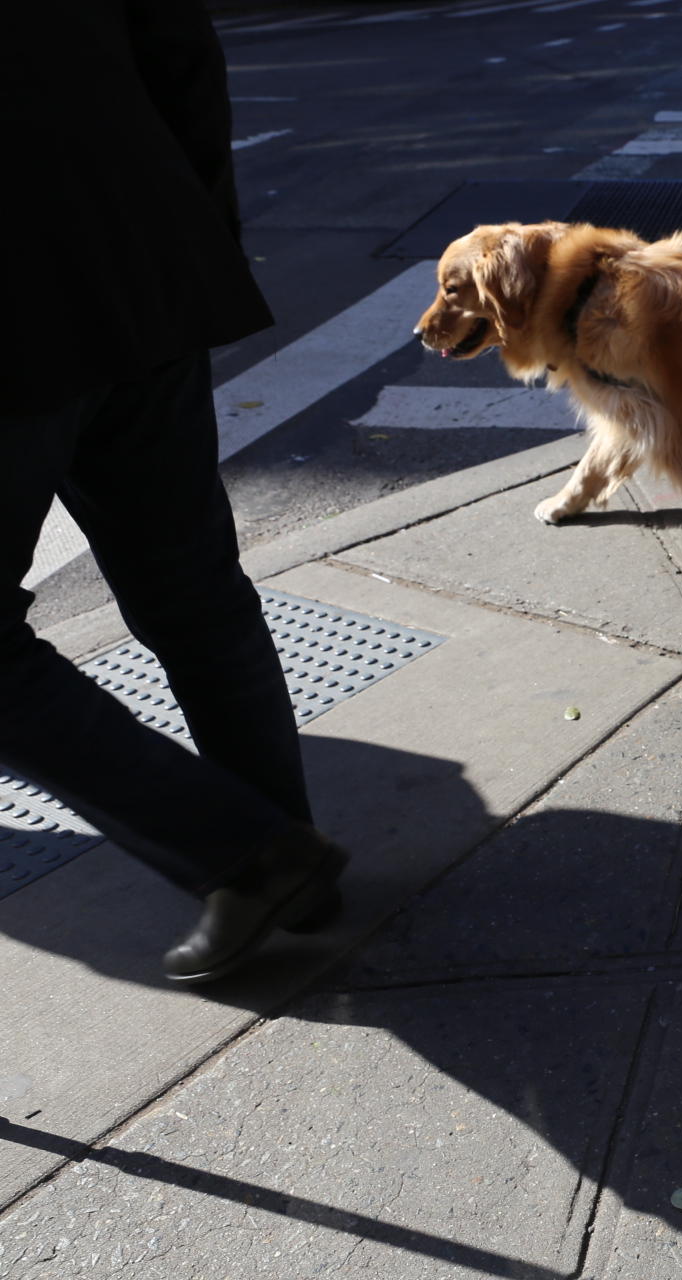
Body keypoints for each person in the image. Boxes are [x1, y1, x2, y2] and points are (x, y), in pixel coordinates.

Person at [0, 0, 349, 984]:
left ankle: (256, 855)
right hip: (139, 254)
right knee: (194, 590)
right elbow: (179, 51)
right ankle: (291, 860)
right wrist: (195, 237)